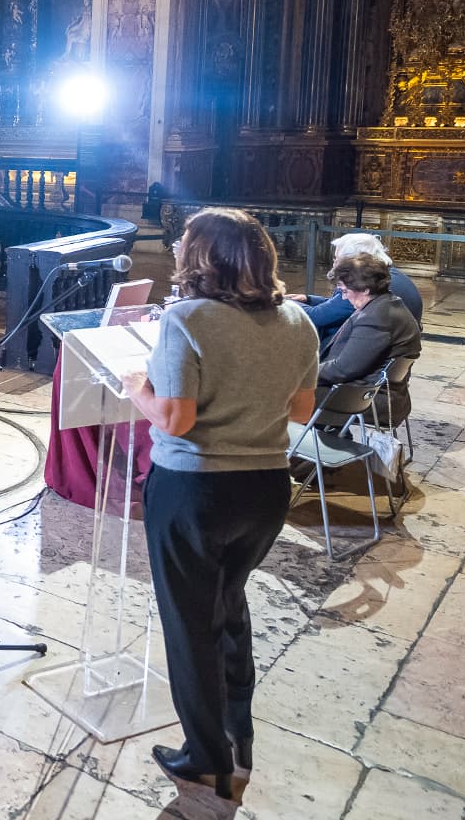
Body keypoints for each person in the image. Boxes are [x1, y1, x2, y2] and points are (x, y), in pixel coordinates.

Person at [121, 207, 319, 800]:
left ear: (202, 257)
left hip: (195, 489)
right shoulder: (298, 321)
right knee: (228, 606)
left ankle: (204, 757)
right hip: (264, 488)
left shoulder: (188, 319)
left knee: (189, 626)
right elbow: (303, 410)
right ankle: (239, 733)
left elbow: (177, 422)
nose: (179, 249)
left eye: (185, 243)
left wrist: (138, 389)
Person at [317, 253, 422, 426]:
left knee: (280, 394)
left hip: (362, 400)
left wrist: (302, 373)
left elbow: (343, 369)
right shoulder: (388, 304)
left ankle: (293, 448)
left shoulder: (377, 317)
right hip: (374, 395)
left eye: (344, 291)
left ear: (365, 289)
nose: (343, 297)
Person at [291, 233, 422, 347]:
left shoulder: (364, 284)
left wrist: (285, 304)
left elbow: (316, 317)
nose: (335, 265)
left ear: (356, 259)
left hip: (352, 349)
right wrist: (309, 299)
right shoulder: (388, 274)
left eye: (337, 259)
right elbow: (340, 306)